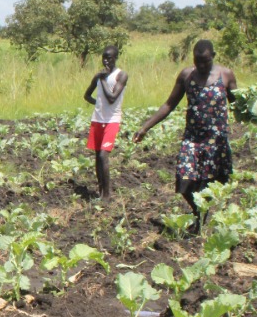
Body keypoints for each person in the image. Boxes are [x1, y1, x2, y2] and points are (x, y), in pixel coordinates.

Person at [133, 39, 235, 229]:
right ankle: (199, 212)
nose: (202, 65)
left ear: (213, 56)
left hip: (216, 141)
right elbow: (169, 104)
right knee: (184, 182)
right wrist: (145, 127)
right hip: (193, 139)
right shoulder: (186, 76)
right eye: (198, 61)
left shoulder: (226, 75)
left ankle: (200, 221)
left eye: (206, 61)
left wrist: (253, 106)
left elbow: (238, 102)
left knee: (210, 185)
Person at [83, 45, 128, 200]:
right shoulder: (98, 77)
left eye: (109, 57)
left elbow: (112, 97)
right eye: (104, 57)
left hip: (112, 120)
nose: (106, 61)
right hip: (97, 119)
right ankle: (101, 190)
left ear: (115, 58)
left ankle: (107, 195)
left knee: (103, 156)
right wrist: (97, 103)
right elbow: (86, 95)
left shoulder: (121, 75)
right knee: (97, 156)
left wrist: (102, 79)